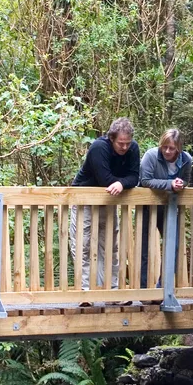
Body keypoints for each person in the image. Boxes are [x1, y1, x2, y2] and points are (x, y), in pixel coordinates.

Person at [70, 117, 139, 290]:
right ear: (111, 139)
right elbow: (104, 179)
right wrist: (122, 182)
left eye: (127, 143)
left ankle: (111, 290)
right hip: (84, 200)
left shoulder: (133, 149)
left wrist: (121, 184)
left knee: (110, 247)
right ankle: (83, 292)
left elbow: (134, 176)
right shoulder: (99, 148)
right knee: (82, 245)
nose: (124, 147)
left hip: (109, 201)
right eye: (120, 143)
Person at [138, 128, 192, 288]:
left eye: (172, 148)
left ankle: (163, 287)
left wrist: (182, 184)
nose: (167, 151)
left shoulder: (186, 160)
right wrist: (170, 184)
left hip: (169, 207)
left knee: (173, 246)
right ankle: (144, 290)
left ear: (179, 148)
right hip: (147, 206)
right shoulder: (151, 155)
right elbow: (145, 180)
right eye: (165, 147)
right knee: (144, 248)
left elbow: (186, 180)